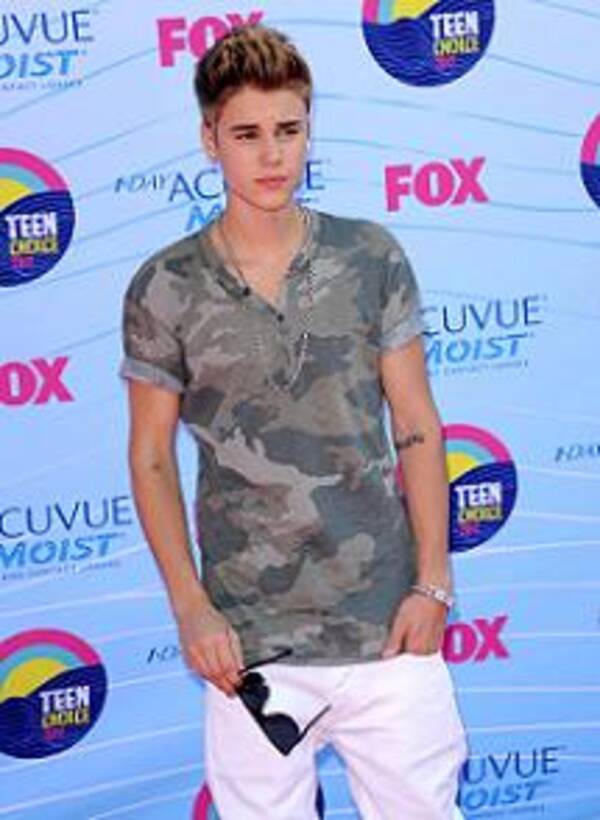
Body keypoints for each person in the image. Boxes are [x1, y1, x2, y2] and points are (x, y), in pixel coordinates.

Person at [120, 23, 467, 820]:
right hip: (248, 644)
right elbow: (150, 459)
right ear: (210, 139)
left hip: (388, 628)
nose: (272, 154)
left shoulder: (370, 258)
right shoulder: (165, 287)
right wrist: (192, 608)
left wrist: (434, 583)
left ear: (310, 129)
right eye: (247, 134)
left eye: (289, 129)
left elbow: (418, 427)